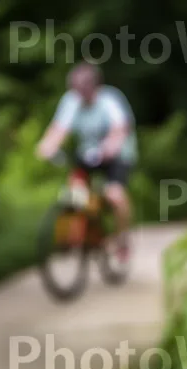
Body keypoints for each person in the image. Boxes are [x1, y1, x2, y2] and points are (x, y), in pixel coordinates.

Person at [36, 61, 137, 262]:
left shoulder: (110, 99)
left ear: (95, 86)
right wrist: (46, 146)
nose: (80, 93)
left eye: (84, 88)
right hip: (88, 154)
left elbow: (120, 128)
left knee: (115, 195)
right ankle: (80, 234)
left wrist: (111, 146)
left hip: (117, 156)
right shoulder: (71, 101)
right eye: (76, 89)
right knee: (75, 192)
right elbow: (58, 129)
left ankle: (122, 238)